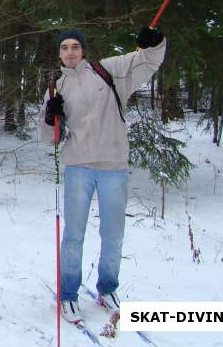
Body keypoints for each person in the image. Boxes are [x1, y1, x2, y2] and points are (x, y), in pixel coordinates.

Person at [40, 26, 166, 323]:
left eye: (75, 46)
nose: (70, 52)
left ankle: (107, 288)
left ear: (83, 50)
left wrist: (155, 41)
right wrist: (50, 116)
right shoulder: (55, 88)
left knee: (113, 234)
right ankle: (68, 294)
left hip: (113, 165)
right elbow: (50, 137)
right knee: (73, 235)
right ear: (58, 53)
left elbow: (148, 60)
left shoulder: (107, 71)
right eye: (64, 47)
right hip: (79, 167)